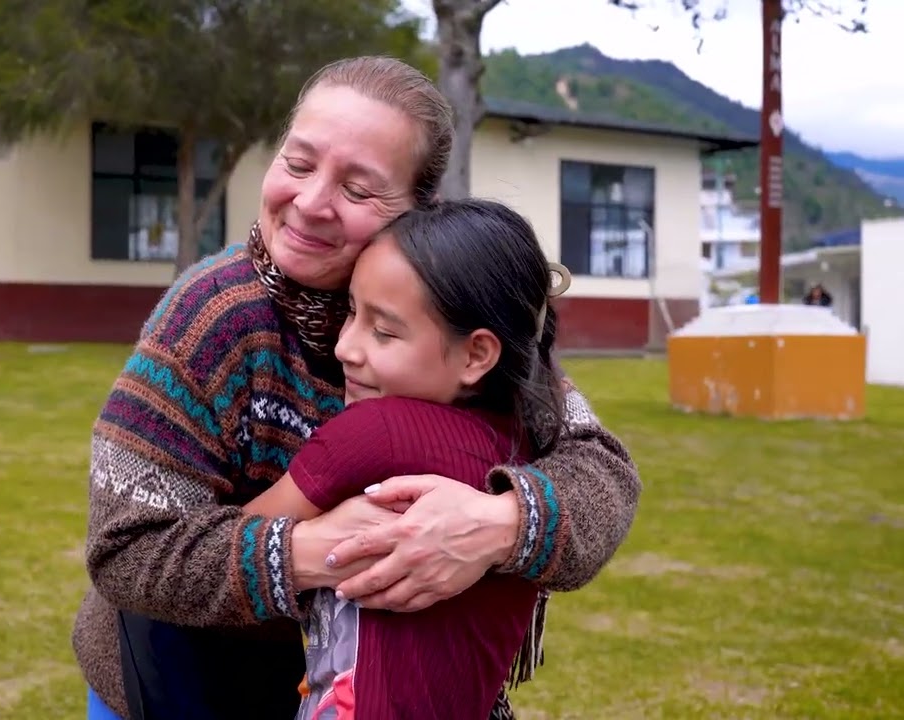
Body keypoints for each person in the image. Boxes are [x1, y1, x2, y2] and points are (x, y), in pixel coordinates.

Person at [73, 56, 641, 720]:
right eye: (298, 162)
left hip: (389, 683)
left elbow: (603, 473)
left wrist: (493, 525)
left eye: (358, 188)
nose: (311, 203)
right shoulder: (210, 317)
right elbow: (126, 549)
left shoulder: (448, 318)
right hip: (184, 683)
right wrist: (319, 551)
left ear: (417, 213)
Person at [243, 198, 572, 719]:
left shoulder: (372, 433)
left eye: (385, 331)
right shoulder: (532, 449)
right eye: (352, 311)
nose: (346, 347)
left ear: (476, 355)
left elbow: (234, 545)